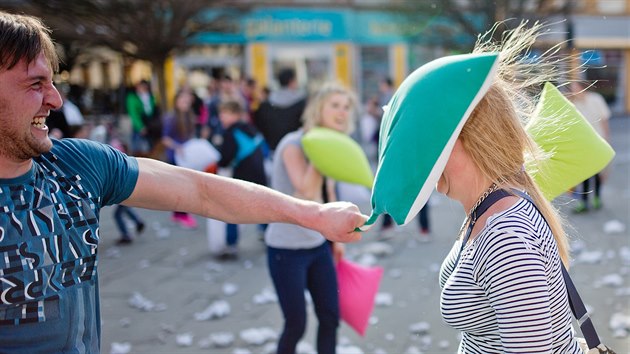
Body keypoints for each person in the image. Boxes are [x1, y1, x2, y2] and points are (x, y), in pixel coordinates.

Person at [0, 11, 366, 353]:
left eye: (52, 82)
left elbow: (201, 192)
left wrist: (314, 214)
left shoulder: (77, 163)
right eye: (35, 84)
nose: (56, 99)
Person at [433, 22, 581, 352]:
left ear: (471, 142)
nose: (428, 157)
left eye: (437, 141)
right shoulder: (487, 206)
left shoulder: (504, 234)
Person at [264, 82, 358, 354]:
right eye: (335, 105)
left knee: (330, 317)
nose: (342, 112)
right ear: (318, 109)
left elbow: (328, 194)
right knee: (296, 324)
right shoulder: (292, 145)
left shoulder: (328, 144)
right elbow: (304, 192)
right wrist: (321, 154)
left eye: (346, 106)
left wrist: (335, 240)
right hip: (286, 249)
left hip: (317, 247)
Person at [216, 99, 268, 259]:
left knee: (231, 210)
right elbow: (264, 150)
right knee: (263, 206)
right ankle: (267, 234)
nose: (221, 118)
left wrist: (218, 162)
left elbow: (225, 157)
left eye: (224, 114)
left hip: (242, 176)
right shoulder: (250, 128)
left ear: (235, 115)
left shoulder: (231, 132)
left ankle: (231, 245)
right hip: (259, 173)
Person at [568, 81, 612, 213]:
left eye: (576, 88)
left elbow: (604, 119)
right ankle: (584, 202)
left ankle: (597, 198)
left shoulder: (596, 99)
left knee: (598, 172)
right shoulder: (574, 104)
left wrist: (607, 139)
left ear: (583, 87)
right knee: (585, 173)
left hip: (598, 141)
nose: (574, 91)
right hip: (583, 143)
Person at [161, 89, 201, 229]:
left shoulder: (189, 116)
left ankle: (179, 213)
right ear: (177, 102)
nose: (186, 103)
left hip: (187, 156)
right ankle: (181, 214)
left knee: (183, 185)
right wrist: (177, 147)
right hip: (176, 156)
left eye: (187, 101)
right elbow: (165, 139)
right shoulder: (171, 117)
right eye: (183, 101)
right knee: (181, 186)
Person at [253, 67, 307, 152]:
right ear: (291, 81)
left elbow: (259, 126)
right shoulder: (302, 103)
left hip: (271, 150)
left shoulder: (266, 105)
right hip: (295, 149)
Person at [125, 79, 159, 156]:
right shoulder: (132, 97)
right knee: (137, 147)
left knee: (150, 147)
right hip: (138, 125)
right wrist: (140, 127)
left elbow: (152, 110)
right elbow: (133, 113)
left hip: (149, 124)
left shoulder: (150, 96)